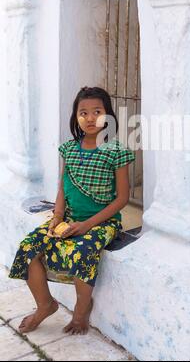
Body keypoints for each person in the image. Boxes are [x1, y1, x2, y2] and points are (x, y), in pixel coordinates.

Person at [8, 86, 135, 335]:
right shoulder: (68, 149)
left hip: (102, 223)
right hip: (68, 218)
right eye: (83, 112)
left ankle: (81, 310)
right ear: (75, 117)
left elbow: (122, 199)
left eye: (97, 111)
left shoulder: (116, 152)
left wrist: (87, 225)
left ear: (108, 116)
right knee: (28, 248)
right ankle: (45, 305)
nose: (89, 118)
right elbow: (63, 187)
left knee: (83, 251)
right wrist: (56, 217)